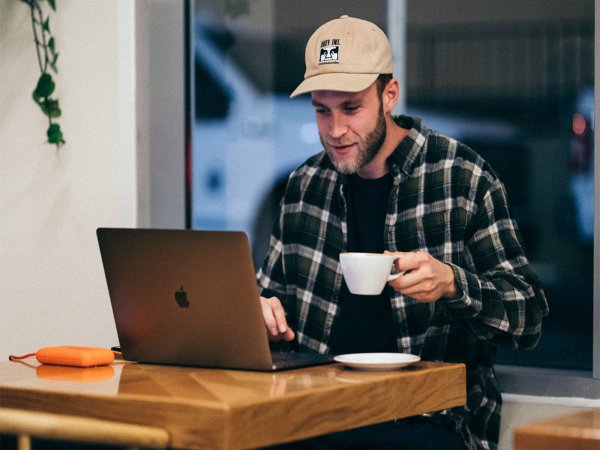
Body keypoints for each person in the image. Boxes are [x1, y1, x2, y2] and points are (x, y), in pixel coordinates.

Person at [257, 15, 548, 450]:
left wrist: (453, 284)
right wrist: (261, 314)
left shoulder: (462, 178)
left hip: (426, 417)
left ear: (389, 94)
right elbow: (268, 298)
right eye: (322, 110)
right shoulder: (304, 186)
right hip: (316, 410)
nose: (335, 131)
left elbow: (529, 319)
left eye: (351, 108)